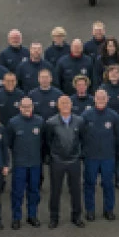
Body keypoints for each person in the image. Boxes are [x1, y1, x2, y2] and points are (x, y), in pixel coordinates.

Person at [44, 95, 87, 228]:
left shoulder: (79, 121)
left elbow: (83, 139)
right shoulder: (51, 122)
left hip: (74, 160)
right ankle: (54, 217)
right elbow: (48, 141)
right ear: (58, 105)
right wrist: (52, 156)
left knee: (75, 190)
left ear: (71, 104)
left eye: (67, 102)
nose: (65, 105)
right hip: (57, 161)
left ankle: (76, 216)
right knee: (55, 190)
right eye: (62, 103)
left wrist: (79, 155)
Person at [81, 89, 119, 221]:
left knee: (108, 184)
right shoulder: (86, 115)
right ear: (94, 99)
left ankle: (108, 210)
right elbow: (80, 135)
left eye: (103, 97)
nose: (101, 100)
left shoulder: (114, 116)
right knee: (89, 184)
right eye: (98, 97)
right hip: (91, 157)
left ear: (107, 99)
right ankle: (90, 210)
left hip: (108, 156)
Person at [6, 98, 46, 229]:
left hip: (35, 163)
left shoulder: (40, 121)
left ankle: (32, 216)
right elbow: (9, 143)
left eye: (29, 106)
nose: (27, 108)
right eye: (24, 106)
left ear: (33, 107)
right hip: (20, 164)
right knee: (17, 192)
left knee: (34, 191)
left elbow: (43, 142)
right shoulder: (13, 122)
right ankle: (16, 218)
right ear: (20, 107)